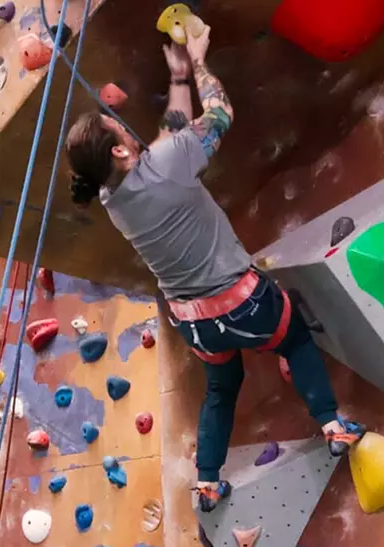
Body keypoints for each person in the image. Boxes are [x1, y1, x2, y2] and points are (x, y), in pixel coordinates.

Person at [66, 19, 362, 513]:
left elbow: (172, 137)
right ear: (120, 150)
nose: (129, 130)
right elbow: (218, 115)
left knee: (223, 387)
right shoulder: (164, 163)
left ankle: (207, 482)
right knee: (294, 337)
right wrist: (200, 61)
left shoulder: (111, 198)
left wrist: (179, 80)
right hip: (244, 303)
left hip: (197, 325)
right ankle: (332, 424)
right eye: (121, 130)